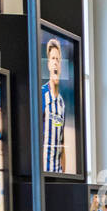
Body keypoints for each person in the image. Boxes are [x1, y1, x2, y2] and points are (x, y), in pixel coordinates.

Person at [41, 37, 66, 174]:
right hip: (44, 172)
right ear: (48, 64)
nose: (55, 63)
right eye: (52, 59)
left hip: (57, 173)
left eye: (58, 59)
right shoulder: (41, 94)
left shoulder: (62, 103)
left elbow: (62, 144)